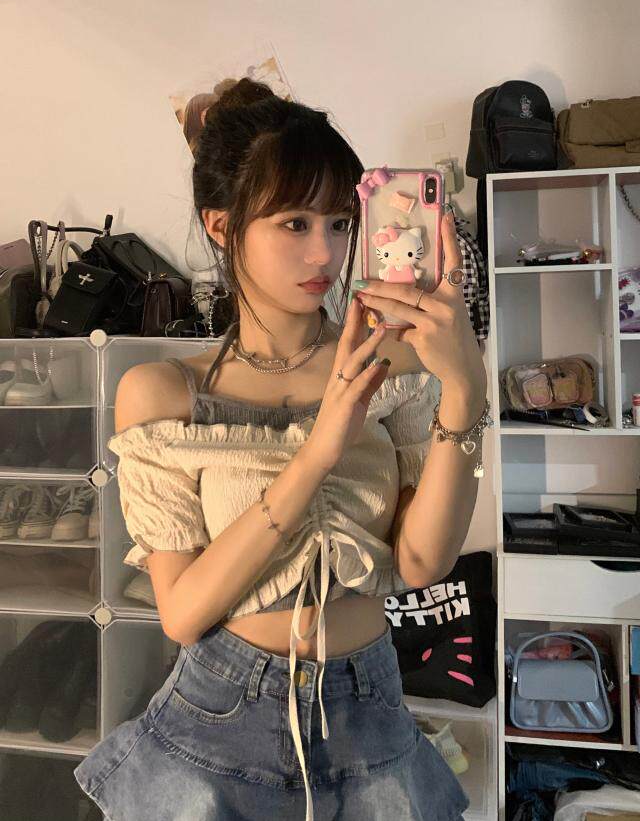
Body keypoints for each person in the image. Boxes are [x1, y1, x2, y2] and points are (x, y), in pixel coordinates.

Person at [74, 77, 489, 820]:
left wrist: (465, 387)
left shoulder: (393, 366)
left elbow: (423, 563)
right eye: (294, 222)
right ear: (222, 226)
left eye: (339, 221)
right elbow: (182, 613)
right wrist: (316, 453)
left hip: (371, 709)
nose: (324, 250)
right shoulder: (165, 393)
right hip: (221, 717)